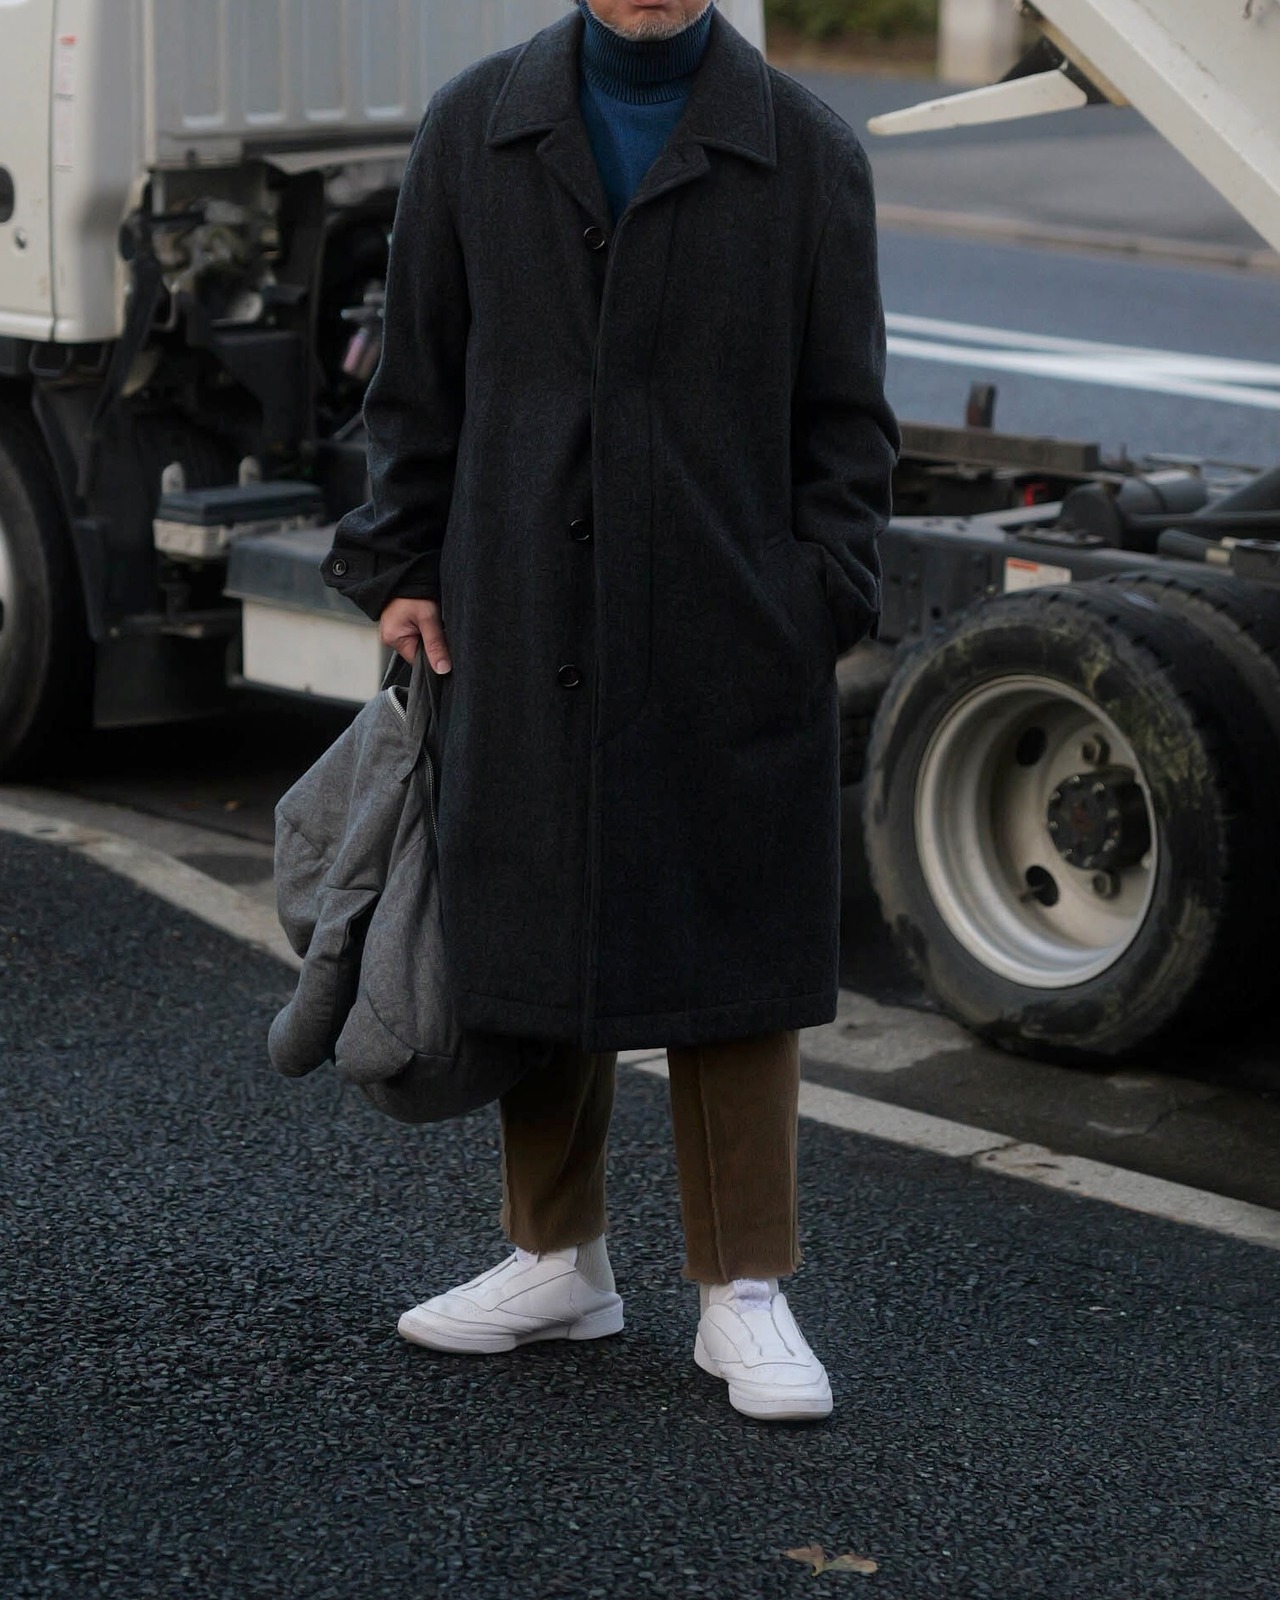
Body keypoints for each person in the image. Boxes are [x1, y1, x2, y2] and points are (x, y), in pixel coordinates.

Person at [322, 0, 899, 1422]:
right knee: (536, 910)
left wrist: (814, 595)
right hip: (521, 599)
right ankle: (555, 1258)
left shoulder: (808, 150)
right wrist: (401, 562)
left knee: (734, 931)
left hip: (730, 615)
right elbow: (420, 374)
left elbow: (848, 418)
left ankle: (745, 1288)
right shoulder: (477, 123)